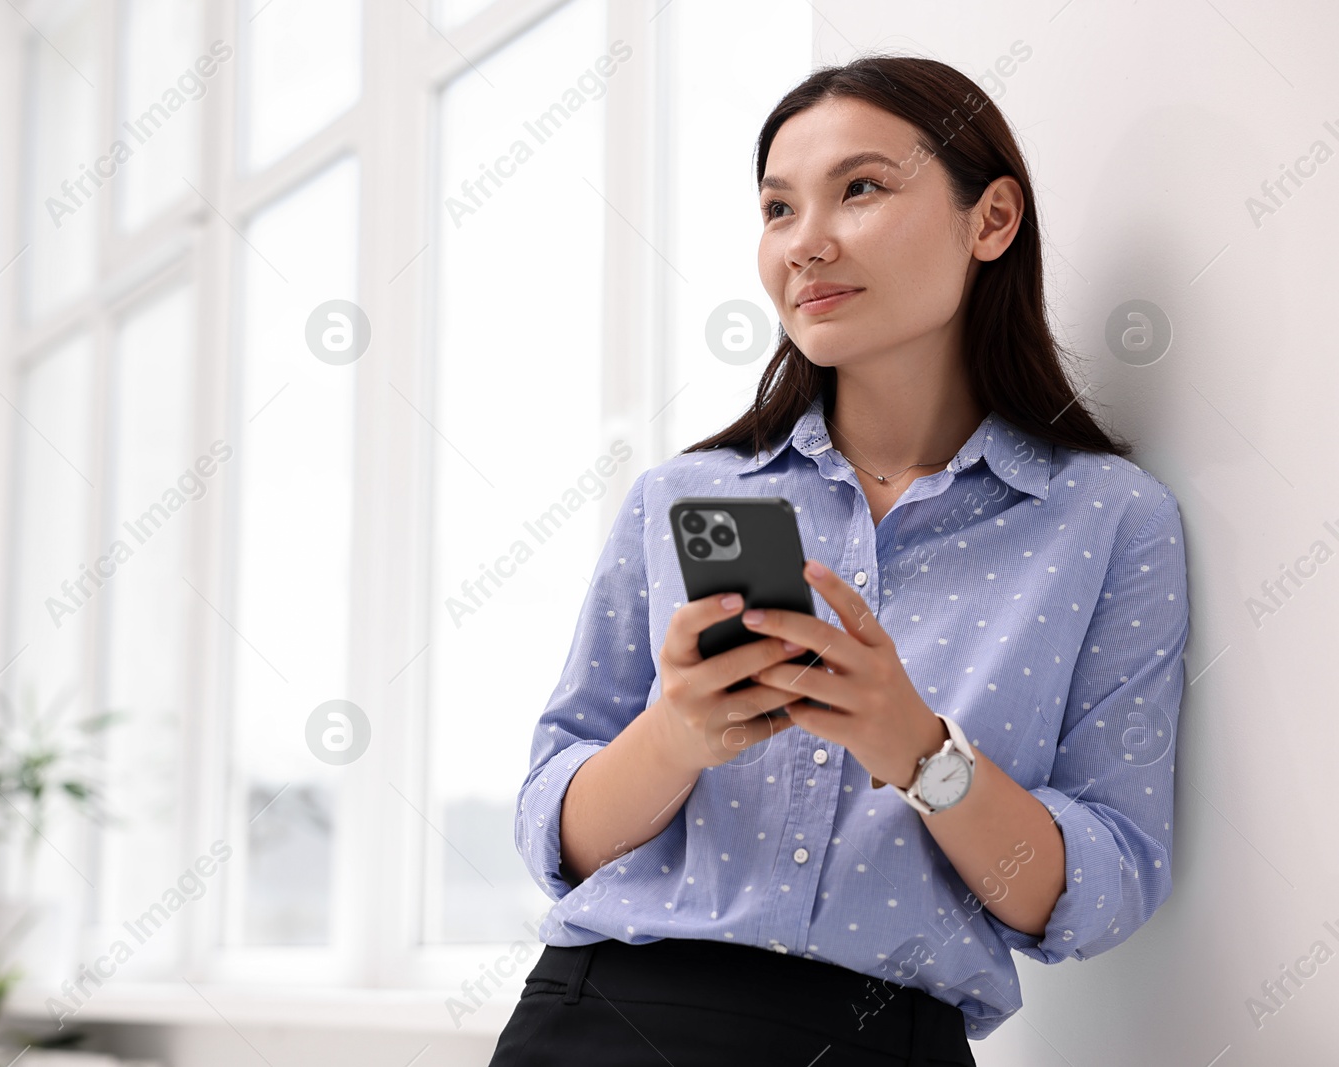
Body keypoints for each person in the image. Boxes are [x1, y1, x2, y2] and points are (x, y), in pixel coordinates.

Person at [489, 54, 1191, 1066]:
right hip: (603, 1018)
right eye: (777, 208)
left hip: (884, 1040)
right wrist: (679, 731)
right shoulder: (686, 497)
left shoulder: (1107, 521)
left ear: (990, 219)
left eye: (859, 188)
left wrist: (919, 750)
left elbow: (1102, 887)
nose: (804, 244)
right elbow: (556, 838)